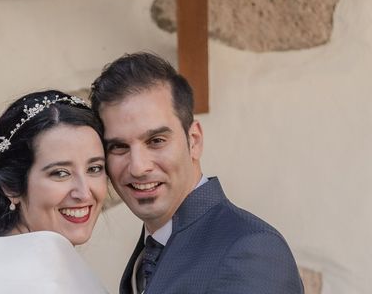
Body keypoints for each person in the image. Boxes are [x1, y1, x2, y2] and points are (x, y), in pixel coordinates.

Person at [90, 53, 304, 294]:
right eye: (119, 147)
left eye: (156, 140)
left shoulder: (252, 248)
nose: (138, 167)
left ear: (194, 141)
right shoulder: (147, 253)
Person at [0, 90, 109, 293]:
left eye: (94, 169)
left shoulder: (46, 267)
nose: (84, 193)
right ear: (11, 187)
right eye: (60, 173)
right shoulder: (15, 281)